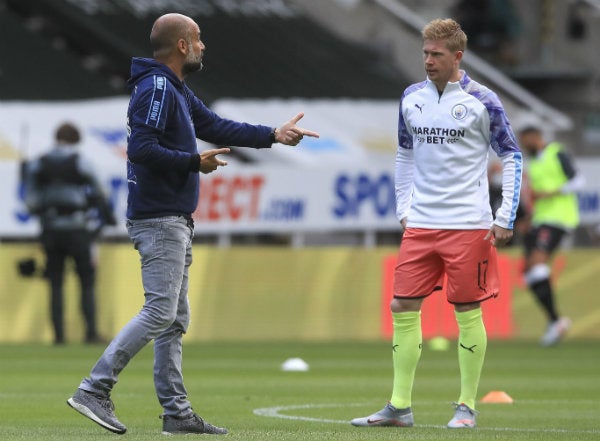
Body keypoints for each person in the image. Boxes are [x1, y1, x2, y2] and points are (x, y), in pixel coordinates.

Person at [66, 12, 319, 436]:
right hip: (159, 216)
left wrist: (273, 135)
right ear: (182, 45)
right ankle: (94, 388)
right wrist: (191, 162)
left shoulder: (174, 89)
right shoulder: (158, 87)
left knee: (174, 320)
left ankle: (177, 414)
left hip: (172, 215)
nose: (203, 46)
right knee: (160, 311)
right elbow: (141, 149)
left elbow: (215, 126)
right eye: (198, 39)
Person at [351, 18, 522, 429]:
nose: (428, 61)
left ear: (457, 56)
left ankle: (466, 407)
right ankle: (399, 407)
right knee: (402, 305)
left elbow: (512, 155)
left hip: (469, 224)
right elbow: (405, 154)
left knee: (466, 309)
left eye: (436, 54)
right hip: (422, 224)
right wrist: (403, 209)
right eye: (425, 53)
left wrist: (505, 215)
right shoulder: (411, 97)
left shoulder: (484, 100)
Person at [24, 122, 116, 345]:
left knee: (55, 282)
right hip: (77, 228)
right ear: (75, 140)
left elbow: (31, 199)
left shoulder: (40, 162)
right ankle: (91, 332)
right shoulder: (80, 161)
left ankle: (59, 336)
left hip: (51, 229)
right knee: (86, 280)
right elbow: (101, 190)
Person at [518, 126, 582, 346]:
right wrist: (527, 219)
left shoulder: (557, 152)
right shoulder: (533, 163)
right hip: (540, 220)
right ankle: (556, 321)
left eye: (526, 141)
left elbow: (578, 181)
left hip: (558, 219)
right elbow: (535, 196)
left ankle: (556, 322)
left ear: (536, 137)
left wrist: (551, 193)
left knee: (537, 264)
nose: (524, 146)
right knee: (528, 274)